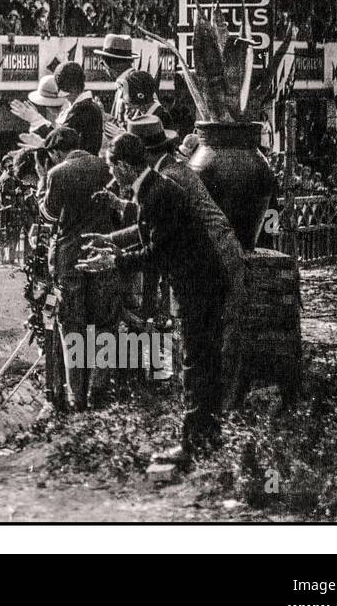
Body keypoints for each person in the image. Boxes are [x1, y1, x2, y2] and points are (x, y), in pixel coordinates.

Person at [79, 133, 229, 464]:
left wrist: (113, 260)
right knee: (201, 363)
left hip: (197, 288)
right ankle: (206, 439)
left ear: (122, 166)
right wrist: (109, 240)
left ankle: (195, 446)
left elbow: (156, 253)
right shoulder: (154, 188)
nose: (111, 175)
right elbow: (145, 229)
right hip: (202, 284)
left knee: (196, 363)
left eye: (111, 167)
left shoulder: (157, 194)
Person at [38, 126, 121, 410]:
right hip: (103, 251)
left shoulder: (57, 173)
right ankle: (100, 387)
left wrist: (41, 184)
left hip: (70, 256)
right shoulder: (106, 167)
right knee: (105, 323)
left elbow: (48, 215)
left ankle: (77, 395)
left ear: (55, 152)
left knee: (71, 324)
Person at [53, 61, 103, 156]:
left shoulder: (82, 109)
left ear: (73, 89)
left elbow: (60, 142)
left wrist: (39, 122)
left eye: (66, 92)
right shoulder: (88, 106)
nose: (65, 97)